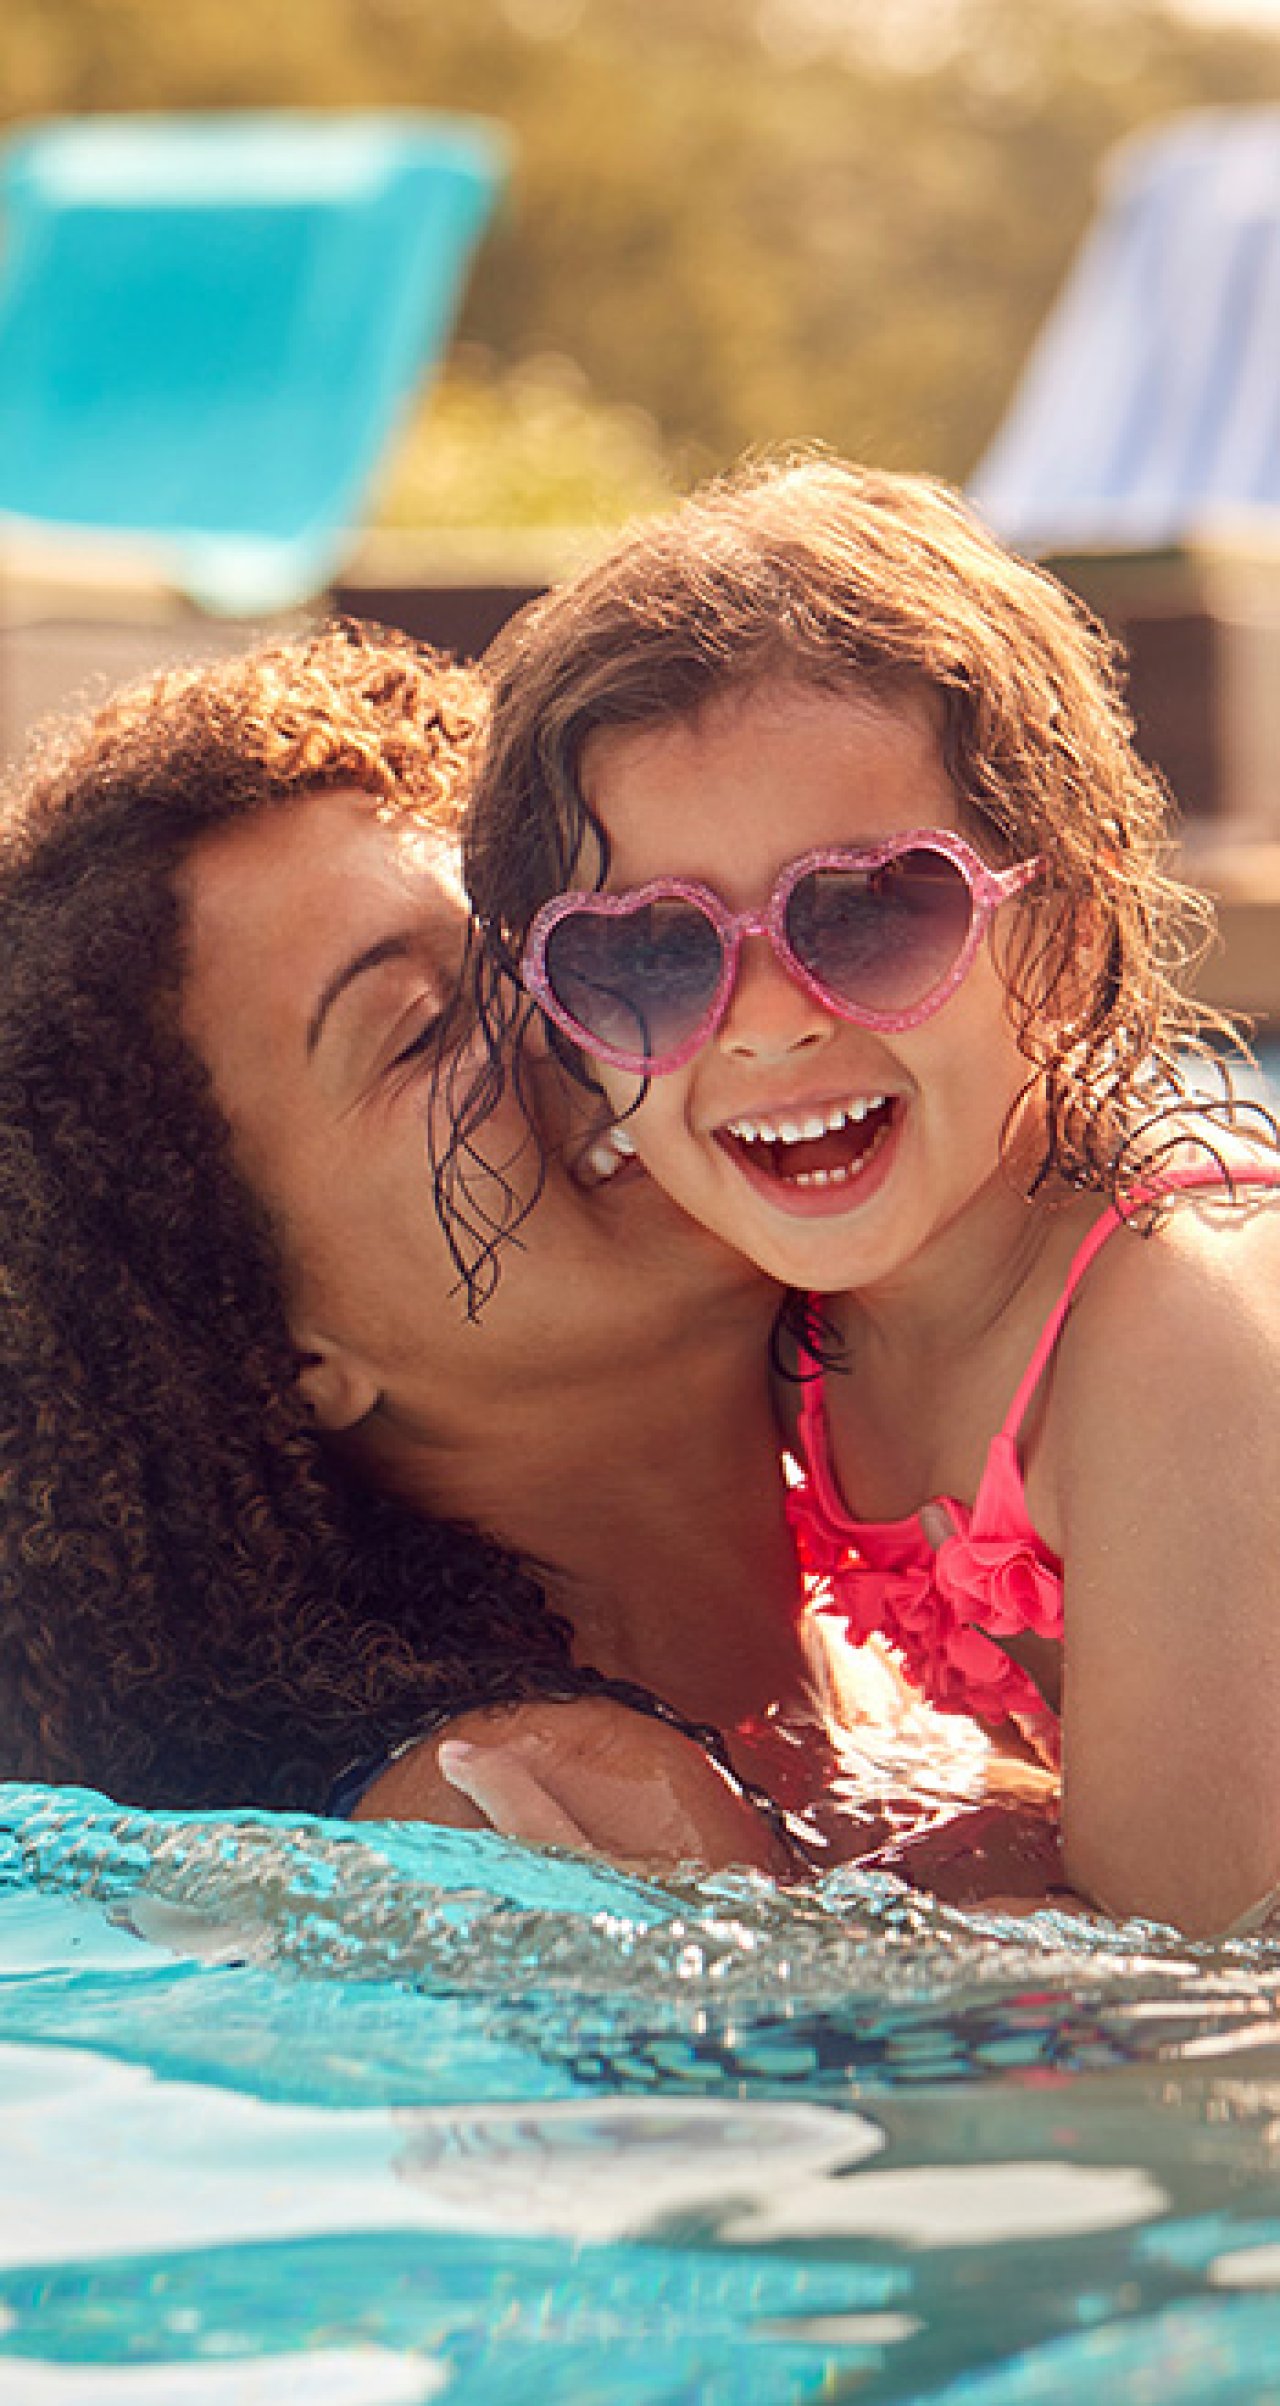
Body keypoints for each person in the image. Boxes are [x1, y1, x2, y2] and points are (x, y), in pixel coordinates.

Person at [461, 451, 1280, 1938]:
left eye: (872, 912)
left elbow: (1208, 2000)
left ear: (1071, 923)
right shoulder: (804, 1312)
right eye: (650, 955)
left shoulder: (1184, 1341)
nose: (767, 1020)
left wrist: (740, 1922)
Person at [0, 619, 812, 1868]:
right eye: (423, 1026)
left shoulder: (929, 1609)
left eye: (549, 920)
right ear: (281, 1355)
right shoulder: (543, 1809)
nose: (569, 997)